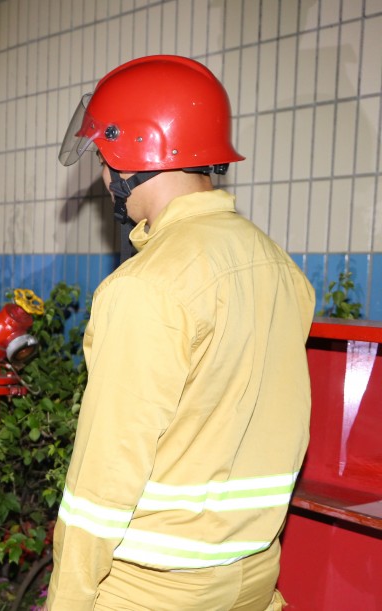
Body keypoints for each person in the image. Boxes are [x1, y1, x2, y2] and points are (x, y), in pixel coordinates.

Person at [47, 55, 316, 610]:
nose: (102, 175)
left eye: (102, 155)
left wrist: (68, 599)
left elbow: (104, 477)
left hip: (155, 586)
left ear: (129, 154)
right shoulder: (279, 267)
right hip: (253, 573)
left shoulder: (145, 287)